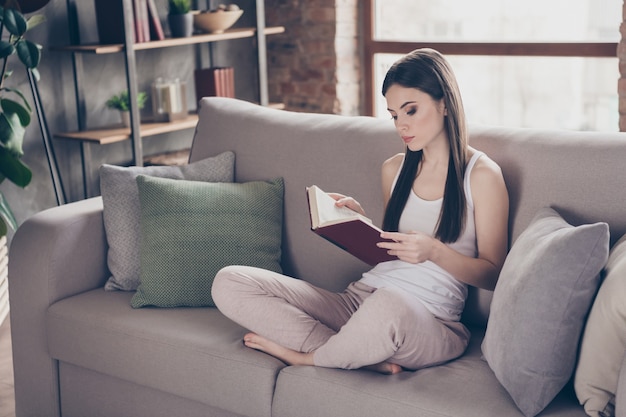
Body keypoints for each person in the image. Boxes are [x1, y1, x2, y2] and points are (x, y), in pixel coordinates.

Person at [212, 48, 509, 375]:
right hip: (359, 301)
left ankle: (308, 357)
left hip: (429, 321)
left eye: (410, 110)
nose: (402, 125)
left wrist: (435, 252)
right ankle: (360, 354)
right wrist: (358, 225)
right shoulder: (394, 169)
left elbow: (494, 274)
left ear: (445, 103)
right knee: (229, 281)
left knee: (388, 306)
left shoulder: (482, 175)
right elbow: (389, 255)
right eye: (394, 115)